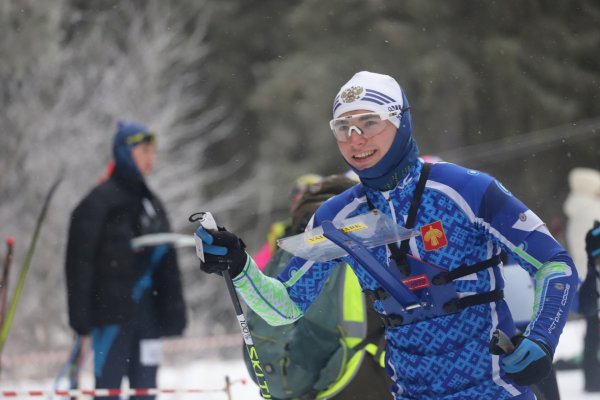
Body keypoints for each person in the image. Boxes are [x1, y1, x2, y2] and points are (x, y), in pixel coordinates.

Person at [194, 71, 578, 399]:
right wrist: (240, 265)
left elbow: (554, 265)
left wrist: (542, 337)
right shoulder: (337, 216)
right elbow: (285, 308)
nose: (355, 138)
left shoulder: (467, 190)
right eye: (343, 128)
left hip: (496, 390)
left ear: (401, 121)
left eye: (369, 122)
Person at [65, 120, 187, 400]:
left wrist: (174, 314)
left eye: (153, 152)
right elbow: (78, 263)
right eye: (144, 151)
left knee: (145, 393)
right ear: (124, 152)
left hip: (149, 317)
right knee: (108, 393)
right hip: (110, 318)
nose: (150, 158)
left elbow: (168, 264)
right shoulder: (98, 202)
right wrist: (79, 317)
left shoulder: (152, 202)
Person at [244, 174, 392, 399]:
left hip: (326, 382)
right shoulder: (384, 244)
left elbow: (266, 338)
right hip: (376, 378)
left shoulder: (291, 248)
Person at [253, 174, 323, 270]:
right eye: (295, 199)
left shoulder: (334, 228)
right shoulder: (281, 231)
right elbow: (257, 270)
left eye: (306, 201)